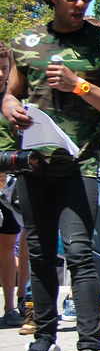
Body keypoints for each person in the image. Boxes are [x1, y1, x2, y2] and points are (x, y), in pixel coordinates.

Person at [4, 0, 100, 351]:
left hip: (81, 167)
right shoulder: (26, 43)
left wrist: (79, 84)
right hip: (33, 165)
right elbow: (11, 94)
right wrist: (11, 108)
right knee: (40, 254)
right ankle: (44, 344)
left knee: (79, 253)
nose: (80, 4)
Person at [0, 44, 25, 326]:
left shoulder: (15, 100)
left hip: (11, 180)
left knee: (10, 244)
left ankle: (13, 305)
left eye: (5, 69)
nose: (0, 74)